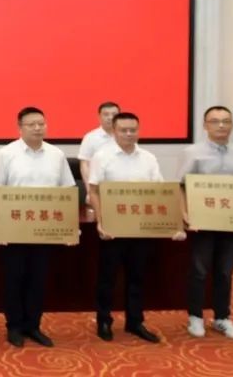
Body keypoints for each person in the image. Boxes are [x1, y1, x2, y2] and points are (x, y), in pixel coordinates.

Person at [89, 112, 185, 344]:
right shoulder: (102, 156)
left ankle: (135, 321)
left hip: (142, 228)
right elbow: (94, 191)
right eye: (124, 130)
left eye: (133, 130)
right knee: (108, 278)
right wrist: (101, 221)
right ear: (114, 131)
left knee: (138, 277)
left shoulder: (148, 158)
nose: (129, 134)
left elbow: (160, 192)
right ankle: (104, 320)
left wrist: (174, 224)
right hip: (113, 229)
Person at [0, 106, 76, 348]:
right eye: (31, 124)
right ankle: (14, 326)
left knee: (38, 280)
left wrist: (70, 227)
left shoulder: (56, 154)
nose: (37, 128)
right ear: (20, 127)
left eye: (41, 124)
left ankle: (33, 325)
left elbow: (67, 191)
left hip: (45, 229)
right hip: (15, 228)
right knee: (14, 279)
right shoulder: (6, 154)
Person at [178, 105, 233, 340]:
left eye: (226, 121)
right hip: (201, 222)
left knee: (225, 271)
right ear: (205, 125)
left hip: (231, 222)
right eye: (215, 121)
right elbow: (180, 186)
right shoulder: (192, 152)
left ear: (232, 125)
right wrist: (185, 215)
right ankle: (195, 316)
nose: (221, 125)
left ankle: (222, 317)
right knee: (199, 271)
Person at [78, 101, 121, 198]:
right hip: (98, 188)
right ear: (99, 117)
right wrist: (90, 191)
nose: (110, 117)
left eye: (114, 114)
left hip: (121, 188)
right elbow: (85, 164)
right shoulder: (90, 137)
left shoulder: (125, 137)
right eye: (106, 114)